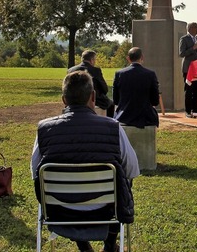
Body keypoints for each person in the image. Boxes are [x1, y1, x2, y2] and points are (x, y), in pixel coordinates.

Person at [31, 70, 139, 252]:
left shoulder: (44, 129)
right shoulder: (113, 128)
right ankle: (110, 244)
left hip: (59, 210)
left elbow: (35, 172)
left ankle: (84, 247)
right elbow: (132, 170)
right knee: (123, 180)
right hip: (106, 210)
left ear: (63, 100)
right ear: (93, 97)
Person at [113, 47, 160, 128]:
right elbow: (155, 101)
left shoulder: (119, 74)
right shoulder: (150, 74)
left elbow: (116, 100)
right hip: (145, 117)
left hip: (124, 116)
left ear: (128, 58)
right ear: (142, 57)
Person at [68, 50, 115, 117]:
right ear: (92, 59)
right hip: (93, 98)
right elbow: (104, 88)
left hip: (74, 98)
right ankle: (110, 122)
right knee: (111, 104)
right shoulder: (95, 70)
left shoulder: (71, 70)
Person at [179, 22, 197, 118]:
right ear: (190, 29)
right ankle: (187, 110)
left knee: (196, 90)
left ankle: (195, 109)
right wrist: (193, 48)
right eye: (196, 27)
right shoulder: (184, 39)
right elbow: (181, 53)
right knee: (189, 90)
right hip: (189, 69)